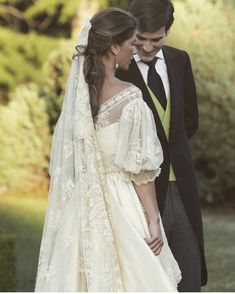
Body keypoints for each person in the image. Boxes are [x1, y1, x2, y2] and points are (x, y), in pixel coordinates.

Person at [34, 7, 181, 292]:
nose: (134, 50)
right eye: (131, 44)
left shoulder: (79, 99)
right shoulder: (130, 98)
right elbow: (141, 170)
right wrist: (153, 220)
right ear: (114, 47)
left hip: (82, 205)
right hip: (122, 203)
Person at [116, 0, 207, 291]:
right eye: (140, 39)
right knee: (150, 275)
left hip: (181, 184)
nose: (147, 47)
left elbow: (189, 120)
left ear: (168, 31)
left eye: (156, 39)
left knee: (190, 270)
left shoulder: (180, 60)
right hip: (138, 190)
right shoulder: (119, 68)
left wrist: (171, 155)